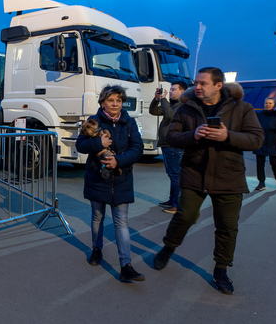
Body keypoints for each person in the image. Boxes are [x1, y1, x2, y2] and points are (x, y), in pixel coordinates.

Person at [152, 67, 263, 295]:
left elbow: (256, 139)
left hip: (228, 176)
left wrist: (228, 136)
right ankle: (168, 247)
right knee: (186, 216)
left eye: (203, 83)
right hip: (194, 172)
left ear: (218, 85)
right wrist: (193, 135)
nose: (197, 87)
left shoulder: (242, 108)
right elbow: (171, 137)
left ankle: (221, 269)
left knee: (227, 227)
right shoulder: (186, 108)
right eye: (196, 83)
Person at [76, 85, 145, 282]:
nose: (115, 104)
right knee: (97, 217)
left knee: (121, 222)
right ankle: (97, 249)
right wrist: (100, 144)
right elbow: (80, 145)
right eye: (111, 100)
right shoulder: (94, 121)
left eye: (119, 100)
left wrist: (118, 161)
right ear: (102, 102)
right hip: (97, 178)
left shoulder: (129, 122)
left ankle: (126, 265)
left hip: (121, 178)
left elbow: (138, 148)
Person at [149, 82, 188, 213]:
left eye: (173, 89)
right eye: (170, 89)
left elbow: (170, 115)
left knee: (175, 174)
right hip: (168, 144)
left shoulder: (183, 105)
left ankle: (176, 205)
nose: (170, 91)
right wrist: (156, 99)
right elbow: (153, 111)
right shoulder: (172, 104)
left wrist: (164, 99)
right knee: (172, 175)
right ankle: (172, 200)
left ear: (182, 91)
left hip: (174, 145)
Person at [253, 98, 276, 190]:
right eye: (266, 103)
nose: (267, 104)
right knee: (260, 164)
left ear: (274, 104)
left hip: (273, 143)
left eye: (270, 103)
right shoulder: (259, 115)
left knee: (275, 164)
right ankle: (261, 182)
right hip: (261, 142)